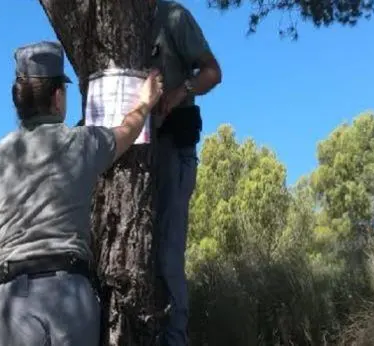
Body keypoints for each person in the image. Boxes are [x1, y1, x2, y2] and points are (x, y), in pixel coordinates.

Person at [0, 41, 163, 346]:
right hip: (70, 294)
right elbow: (127, 132)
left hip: (12, 301)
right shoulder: (81, 143)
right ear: (58, 97)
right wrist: (146, 101)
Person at [149, 1, 222, 345]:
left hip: (174, 148)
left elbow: (212, 72)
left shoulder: (173, 17)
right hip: (135, 156)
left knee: (168, 253)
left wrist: (181, 92)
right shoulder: (111, 21)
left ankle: (175, 337)